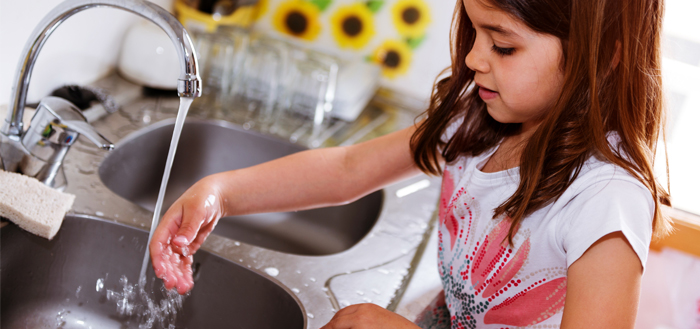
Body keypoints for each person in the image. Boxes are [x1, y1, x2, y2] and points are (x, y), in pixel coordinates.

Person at [149, 0, 672, 326]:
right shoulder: (478, 122)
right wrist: (221, 191)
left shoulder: (605, 200)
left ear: (604, 55)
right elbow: (350, 169)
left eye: (504, 46)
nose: (473, 59)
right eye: (474, 32)